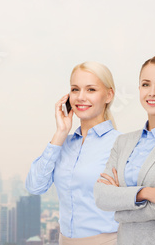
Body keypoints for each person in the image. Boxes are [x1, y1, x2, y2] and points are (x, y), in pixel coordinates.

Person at [93, 55, 155, 244]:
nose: (152, 92)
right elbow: (101, 196)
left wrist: (119, 210)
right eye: (145, 84)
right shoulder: (123, 142)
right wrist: (146, 193)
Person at [26, 61, 121, 244]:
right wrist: (60, 133)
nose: (80, 97)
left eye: (91, 90)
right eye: (75, 89)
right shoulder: (64, 144)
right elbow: (35, 186)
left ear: (108, 95)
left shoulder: (121, 144)